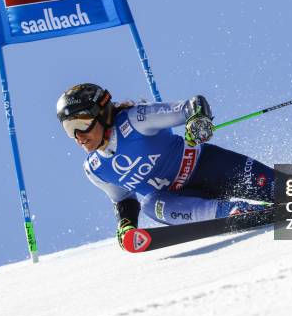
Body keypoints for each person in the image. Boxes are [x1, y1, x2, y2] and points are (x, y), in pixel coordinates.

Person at [56, 83, 275, 249]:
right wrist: (126, 225)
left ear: (102, 114)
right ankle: (234, 213)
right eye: (69, 129)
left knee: (289, 188)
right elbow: (123, 199)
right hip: (179, 201)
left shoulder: (136, 120)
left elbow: (192, 105)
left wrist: (197, 120)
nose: (78, 136)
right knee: (151, 204)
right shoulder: (95, 169)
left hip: (210, 167)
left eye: (81, 124)